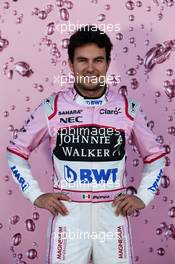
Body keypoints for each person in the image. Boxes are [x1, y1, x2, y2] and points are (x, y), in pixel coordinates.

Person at [7, 25, 166, 264]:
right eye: (82, 60)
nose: (90, 68)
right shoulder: (52, 108)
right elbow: (15, 153)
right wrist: (35, 195)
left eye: (98, 60)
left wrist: (142, 196)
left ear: (107, 63)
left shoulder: (128, 108)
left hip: (113, 217)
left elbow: (155, 158)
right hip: (69, 217)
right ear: (70, 64)